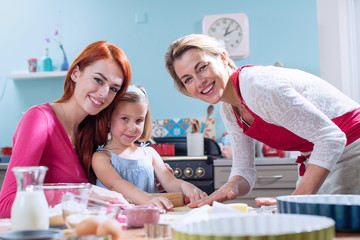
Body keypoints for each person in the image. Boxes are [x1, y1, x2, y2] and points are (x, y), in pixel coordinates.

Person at [164, 34, 360, 208]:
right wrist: (229, 188)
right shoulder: (229, 111)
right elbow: (244, 170)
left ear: (223, 58)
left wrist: (295, 200)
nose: (199, 82)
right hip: (322, 154)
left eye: (202, 67)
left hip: (352, 148)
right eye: (187, 79)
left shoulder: (258, 87)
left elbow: (331, 138)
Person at [0, 41, 132, 218]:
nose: (104, 94)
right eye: (98, 80)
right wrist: (83, 192)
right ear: (76, 73)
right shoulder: (39, 120)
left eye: (113, 89)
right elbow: (7, 204)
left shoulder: (90, 132)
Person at [92, 85, 208, 210]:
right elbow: (116, 184)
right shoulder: (101, 157)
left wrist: (187, 187)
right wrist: (148, 199)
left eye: (139, 120)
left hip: (150, 222)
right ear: (109, 120)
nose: (132, 128)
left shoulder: (150, 153)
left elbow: (170, 183)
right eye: (124, 119)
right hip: (116, 222)